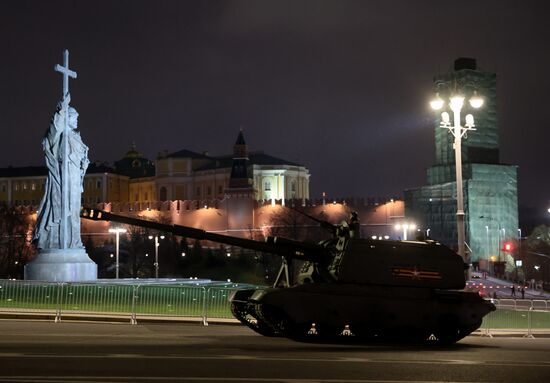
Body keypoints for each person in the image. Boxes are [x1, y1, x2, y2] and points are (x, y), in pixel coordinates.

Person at [33, 94, 89, 250]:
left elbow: (79, 160)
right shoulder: (59, 135)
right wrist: (62, 110)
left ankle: (73, 242)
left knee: (74, 213)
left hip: (75, 180)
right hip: (62, 179)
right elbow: (53, 131)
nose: (77, 120)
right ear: (67, 118)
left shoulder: (77, 137)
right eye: (74, 117)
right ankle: (57, 242)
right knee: (63, 209)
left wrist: (83, 165)